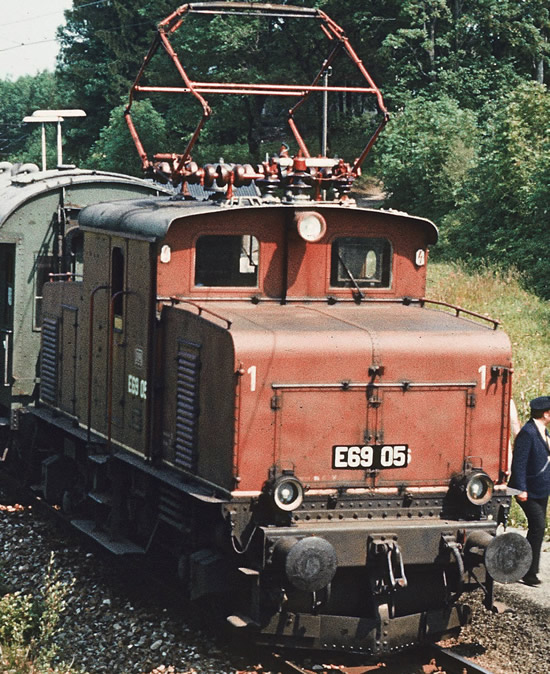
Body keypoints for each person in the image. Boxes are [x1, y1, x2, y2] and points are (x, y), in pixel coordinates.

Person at [508, 395, 550, 586]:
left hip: (541, 489)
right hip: (527, 491)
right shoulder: (528, 432)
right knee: (539, 527)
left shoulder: (544, 432)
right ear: (546, 413)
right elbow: (519, 463)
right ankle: (529, 573)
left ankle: (518, 565)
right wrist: (520, 489)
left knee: (536, 530)